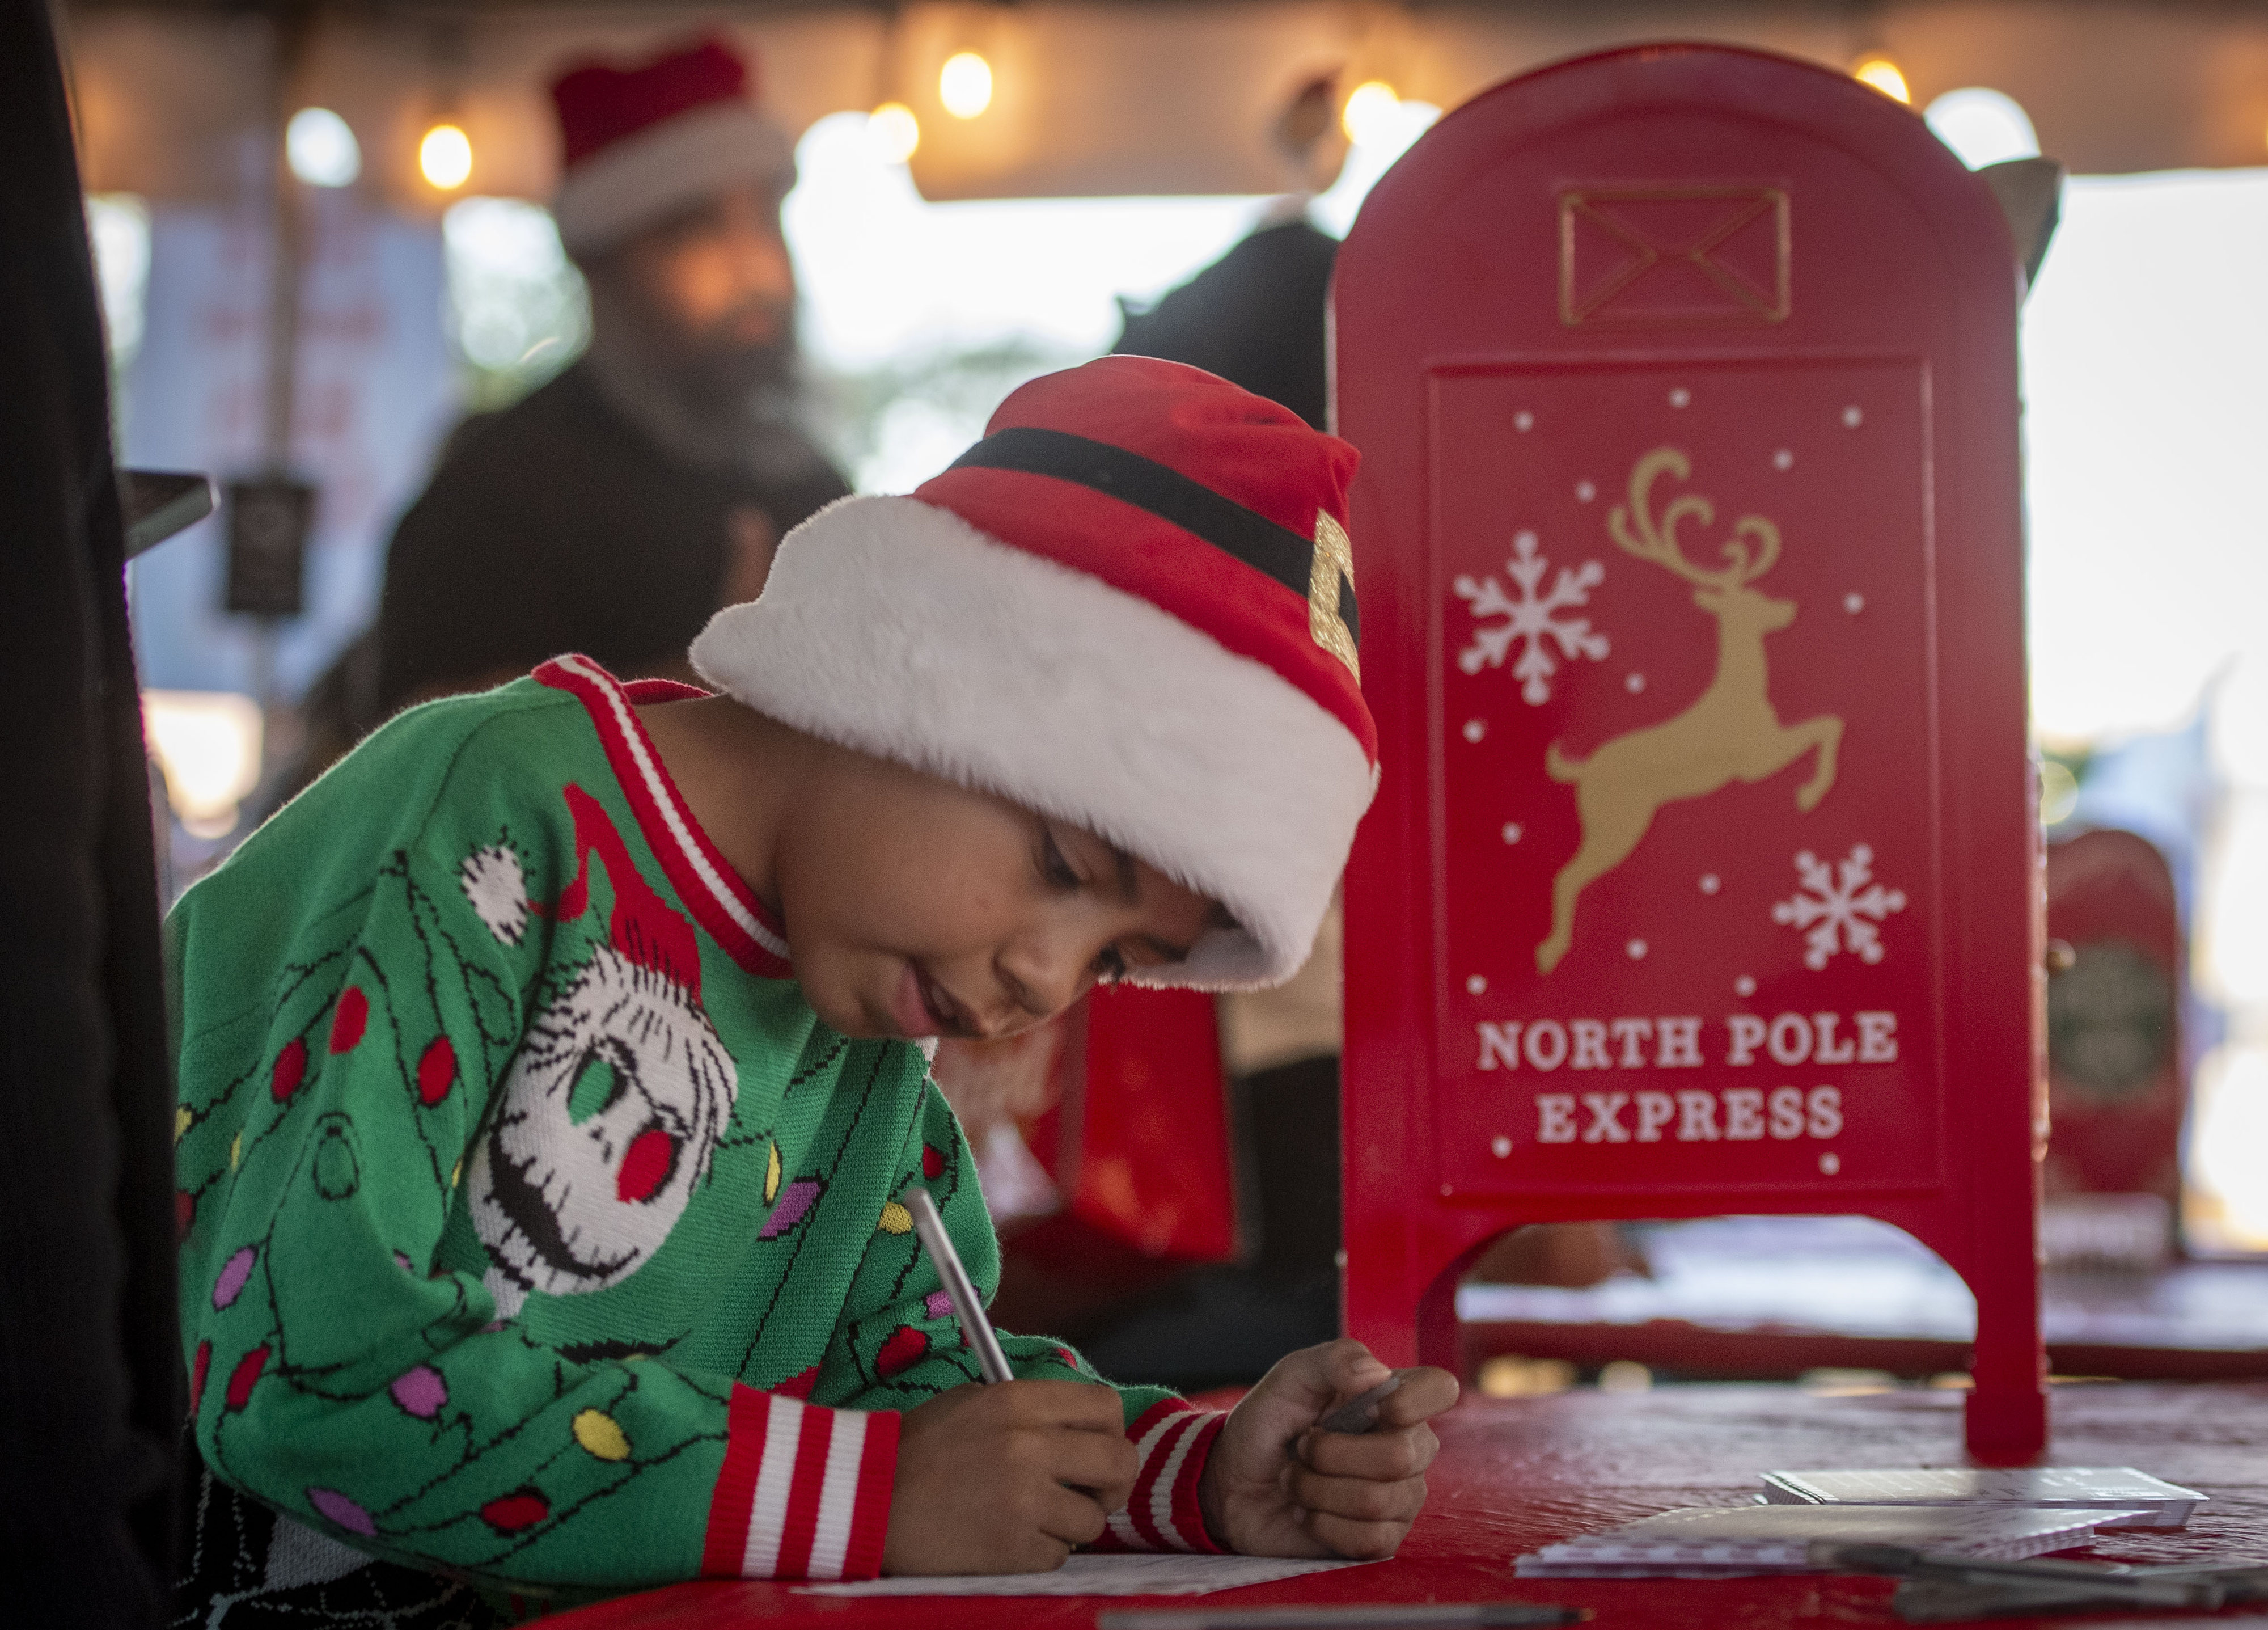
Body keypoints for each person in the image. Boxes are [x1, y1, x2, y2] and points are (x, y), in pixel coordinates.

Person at [170, 356, 1458, 1620]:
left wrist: (1195, 1474)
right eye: (1063, 865)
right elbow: (309, 1371)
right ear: (910, 661)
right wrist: (869, 1497)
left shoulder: (871, 1034)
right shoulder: (497, 811)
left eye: (1116, 960)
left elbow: (921, 1398)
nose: (1044, 977)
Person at [374, 36, 848, 713]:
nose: (758, 272)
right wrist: (696, 690)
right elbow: (418, 765)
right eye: (696, 231)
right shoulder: (496, 496)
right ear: (603, 268)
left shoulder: (813, 489)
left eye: (767, 217)